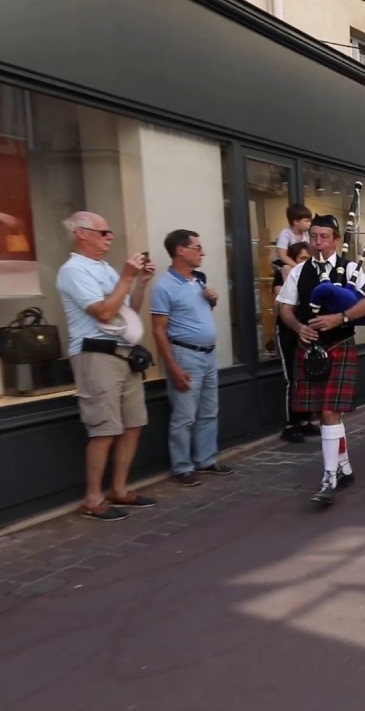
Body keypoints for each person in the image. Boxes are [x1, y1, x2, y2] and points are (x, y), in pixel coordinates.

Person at [56, 211, 158, 521]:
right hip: (95, 354)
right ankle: (92, 498)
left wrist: (140, 283)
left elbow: (127, 314)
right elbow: (102, 313)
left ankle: (118, 489)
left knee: (133, 424)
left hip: (123, 353)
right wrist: (127, 277)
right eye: (104, 232)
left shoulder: (106, 268)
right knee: (103, 429)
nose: (110, 237)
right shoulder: (73, 270)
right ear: (82, 234)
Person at [276, 214, 365, 505]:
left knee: (329, 411)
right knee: (325, 414)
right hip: (310, 349)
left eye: (324, 237)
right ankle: (343, 468)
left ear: (335, 240)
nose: (318, 242)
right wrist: (299, 328)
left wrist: (341, 317)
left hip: (339, 344)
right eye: (313, 236)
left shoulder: (350, 269)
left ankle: (329, 477)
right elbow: (285, 308)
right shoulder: (299, 271)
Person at [150, 229, 234, 487]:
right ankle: (182, 467)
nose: (202, 253)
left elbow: (196, 314)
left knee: (208, 411)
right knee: (184, 415)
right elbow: (158, 330)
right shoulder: (164, 287)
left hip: (208, 355)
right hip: (185, 356)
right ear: (180, 251)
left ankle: (205, 460)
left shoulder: (197, 281)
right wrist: (172, 366)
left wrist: (213, 300)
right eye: (197, 248)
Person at [275, 241, 318, 442]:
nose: (305, 262)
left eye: (308, 259)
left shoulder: (312, 275)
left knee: (305, 375)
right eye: (301, 258)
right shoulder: (286, 273)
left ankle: (304, 420)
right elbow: (280, 302)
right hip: (288, 331)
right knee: (291, 378)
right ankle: (290, 424)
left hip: (306, 330)